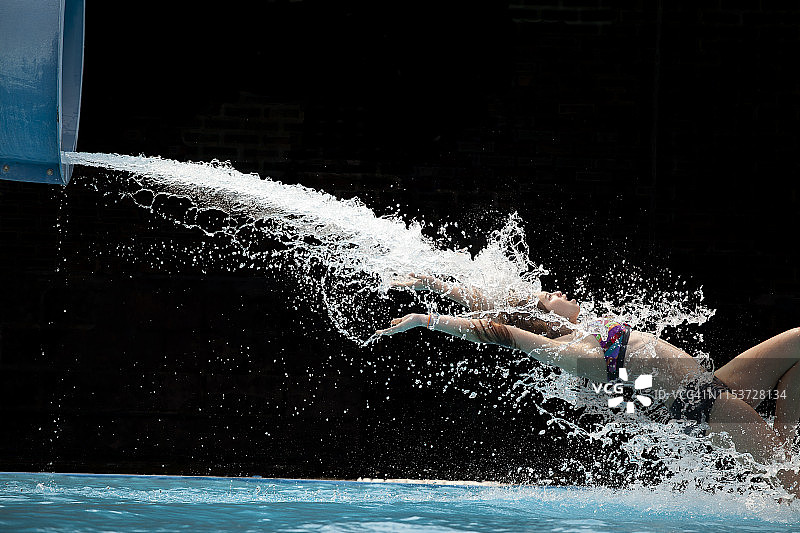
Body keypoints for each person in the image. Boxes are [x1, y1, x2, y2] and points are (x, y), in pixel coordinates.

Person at [376, 273, 800, 494]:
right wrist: (426, 320)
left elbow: (499, 304)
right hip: (705, 410)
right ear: (545, 317)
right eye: (548, 298)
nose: (555, 291)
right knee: (791, 485)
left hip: (707, 387)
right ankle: (785, 469)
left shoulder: (582, 327)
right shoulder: (578, 353)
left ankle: (785, 448)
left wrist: (430, 285)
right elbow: (501, 330)